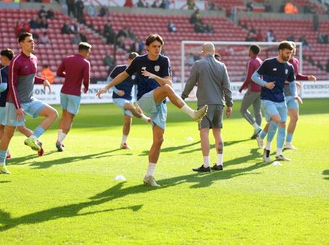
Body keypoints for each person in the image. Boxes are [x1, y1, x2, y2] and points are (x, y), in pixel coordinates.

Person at [96, 34, 208, 187]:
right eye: (154, 46)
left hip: (159, 102)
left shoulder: (164, 60)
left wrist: (154, 76)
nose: (157, 49)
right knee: (166, 89)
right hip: (145, 99)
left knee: (159, 140)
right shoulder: (138, 60)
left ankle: (149, 176)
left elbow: (168, 82)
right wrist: (106, 87)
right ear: (147, 47)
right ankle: (193, 114)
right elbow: (123, 74)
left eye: (159, 46)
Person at [0, 32, 59, 174]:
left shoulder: (34, 59)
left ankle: (33, 138)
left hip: (30, 100)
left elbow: (30, 78)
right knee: (9, 133)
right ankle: (1, 162)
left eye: (33, 41)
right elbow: (12, 84)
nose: (33, 43)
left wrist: (42, 80)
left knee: (53, 114)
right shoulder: (16, 61)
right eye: (29, 41)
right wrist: (18, 107)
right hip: (14, 103)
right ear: (21, 44)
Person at [181, 42, 232, 172]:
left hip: (204, 104)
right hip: (219, 104)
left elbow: (191, 81)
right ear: (214, 52)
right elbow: (227, 86)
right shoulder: (222, 66)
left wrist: (183, 96)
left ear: (202, 53)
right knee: (217, 132)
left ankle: (206, 165)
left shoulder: (198, 64)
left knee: (204, 132)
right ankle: (219, 163)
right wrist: (229, 104)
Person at [256, 43, 317, 151]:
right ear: (282, 51)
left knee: (294, 117)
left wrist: (304, 80)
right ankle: (261, 137)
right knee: (274, 120)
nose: (291, 53)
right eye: (289, 51)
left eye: (292, 51)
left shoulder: (294, 63)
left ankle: (288, 142)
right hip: (278, 93)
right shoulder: (274, 62)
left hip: (291, 94)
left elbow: (294, 76)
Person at [0, 48, 44, 159]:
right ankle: (36, 141)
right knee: (21, 128)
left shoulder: (4, 70)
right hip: (19, 102)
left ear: (5, 58)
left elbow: (4, 86)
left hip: (4, 103)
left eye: (1, 58)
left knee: (1, 128)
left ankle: (6, 153)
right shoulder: (17, 66)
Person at [252, 41, 299, 163]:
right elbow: (254, 76)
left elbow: (292, 84)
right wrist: (265, 84)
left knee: (282, 123)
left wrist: (295, 94)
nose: (289, 55)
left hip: (280, 99)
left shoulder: (289, 67)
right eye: (287, 52)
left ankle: (279, 153)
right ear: (280, 51)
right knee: (277, 120)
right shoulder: (268, 63)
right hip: (267, 98)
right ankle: (267, 149)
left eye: (291, 53)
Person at [108, 52, 151, 149]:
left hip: (129, 98)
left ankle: (123, 143)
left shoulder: (137, 73)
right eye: (133, 61)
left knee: (127, 121)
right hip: (118, 97)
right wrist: (116, 90)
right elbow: (109, 80)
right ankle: (146, 119)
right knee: (130, 106)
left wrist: (137, 104)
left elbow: (136, 90)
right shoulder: (119, 69)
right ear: (128, 60)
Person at [55, 42, 91, 152]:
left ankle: (59, 139)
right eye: (88, 52)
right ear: (84, 51)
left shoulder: (67, 59)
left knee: (64, 116)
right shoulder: (85, 63)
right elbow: (86, 79)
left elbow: (59, 72)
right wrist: (86, 87)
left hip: (64, 91)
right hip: (74, 93)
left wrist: (68, 75)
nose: (88, 55)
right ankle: (59, 141)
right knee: (70, 119)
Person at [239, 45, 263, 139]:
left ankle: (256, 128)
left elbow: (249, 77)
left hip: (253, 88)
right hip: (261, 88)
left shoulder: (251, 62)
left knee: (243, 110)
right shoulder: (260, 61)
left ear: (252, 51)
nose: (248, 52)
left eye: (249, 50)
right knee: (257, 111)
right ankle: (258, 133)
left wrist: (242, 87)